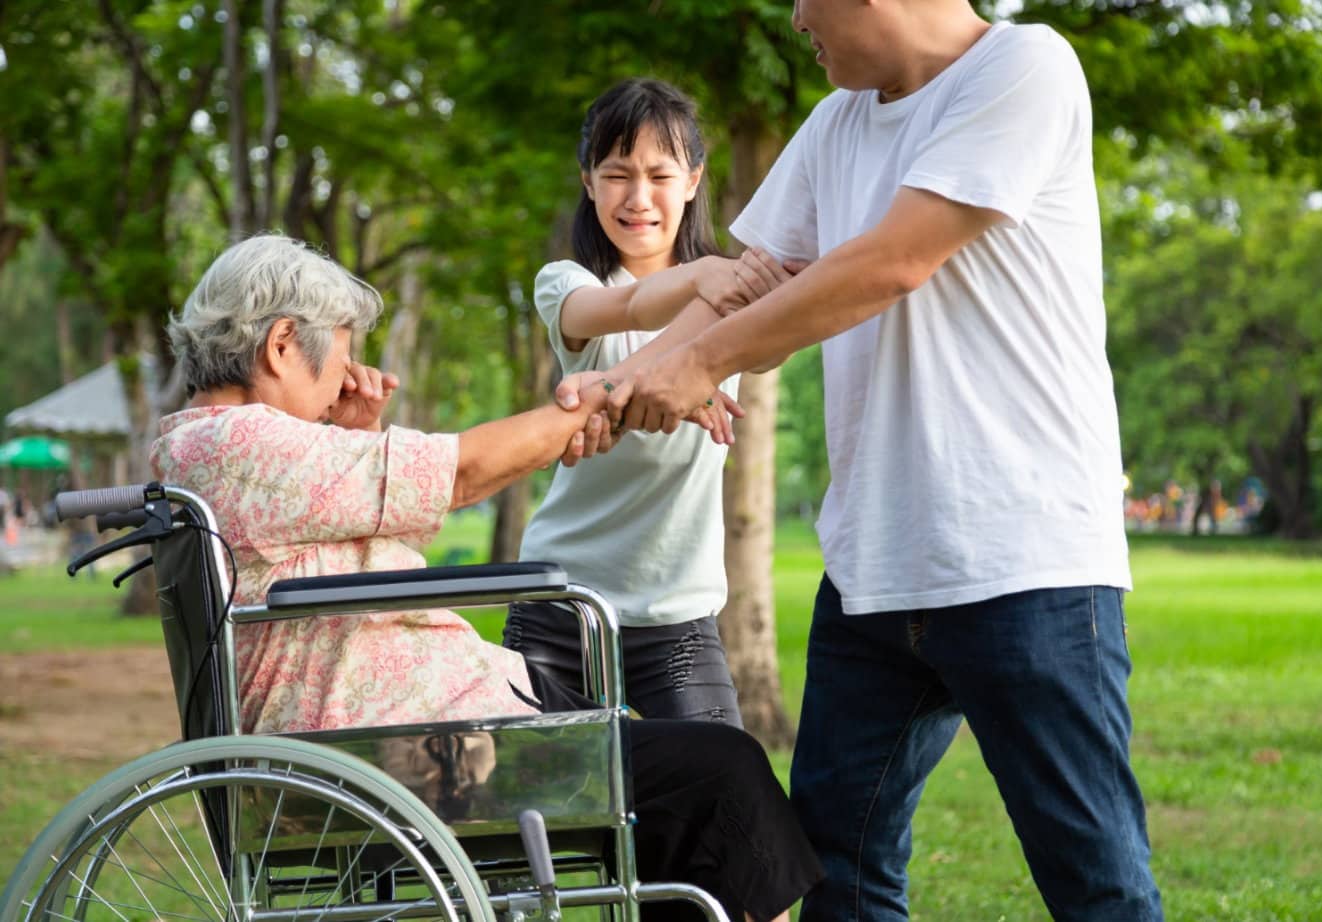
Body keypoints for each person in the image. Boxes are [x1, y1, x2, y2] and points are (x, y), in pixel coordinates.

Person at [600, 1, 1163, 920]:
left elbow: (889, 263)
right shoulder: (836, 122)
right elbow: (754, 288)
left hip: (1024, 565)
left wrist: (699, 364)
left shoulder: (1023, 68)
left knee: (1091, 875)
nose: (792, 19)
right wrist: (620, 386)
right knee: (836, 872)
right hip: (874, 568)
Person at [150, 235, 822, 922]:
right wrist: (599, 401)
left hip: (411, 724)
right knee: (721, 776)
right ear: (283, 345)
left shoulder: (207, 445)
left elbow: (397, 519)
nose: (341, 388)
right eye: (340, 363)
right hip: (403, 750)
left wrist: (353, 437)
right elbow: (462, 471)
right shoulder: (241, 443)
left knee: (684, 793)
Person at [507, 78, 795, 727]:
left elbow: (774, 346)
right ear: (588, 182)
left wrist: (721, 320)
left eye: (659, 175)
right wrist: (702, 285)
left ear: (693, 179)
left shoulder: (733, 294)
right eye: (616, 175)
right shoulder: (568, 284)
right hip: (560, 605)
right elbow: (627, 306)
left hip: (678, 614)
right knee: (536, 814)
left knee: (720, 794)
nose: (638, 198)